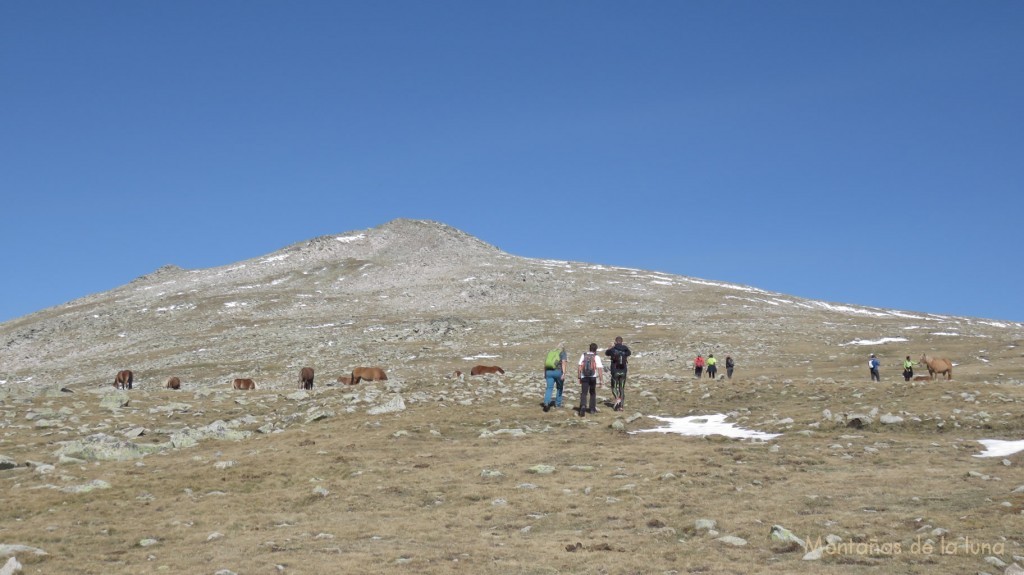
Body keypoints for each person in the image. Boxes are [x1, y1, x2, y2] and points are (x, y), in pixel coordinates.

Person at [577, 343, 604, 417]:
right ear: (596, 349)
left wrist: (579, 377)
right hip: (592, 377)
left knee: (584, 393)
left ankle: (583, 406)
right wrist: (601, 380)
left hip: (584, 376)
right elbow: (599, 369)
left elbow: (579, 366)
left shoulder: (584, 355)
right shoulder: (596, 356)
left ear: (589, 348)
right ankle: (592, 409)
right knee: (592, 392)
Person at [605, 336, 632, 411]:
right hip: (623, 371)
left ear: (615, 341)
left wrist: (611, 347)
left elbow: (606, 353)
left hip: (615, 371)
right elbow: (629, 353)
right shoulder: (625, 348)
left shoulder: (613, 349)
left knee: (614, 387)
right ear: (622, 341)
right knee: (621, 388)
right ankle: (621, 407)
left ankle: (617, 399)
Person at [542, 345, 567, 412]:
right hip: (558, 372)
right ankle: (558, 404)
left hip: (548, 372)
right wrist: (564, 373)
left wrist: (545, 373)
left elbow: (545, 363)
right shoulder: (562, 353)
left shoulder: (551, 353)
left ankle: (546, 403)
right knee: (559, 388)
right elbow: (563, 362)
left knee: (549, 388)